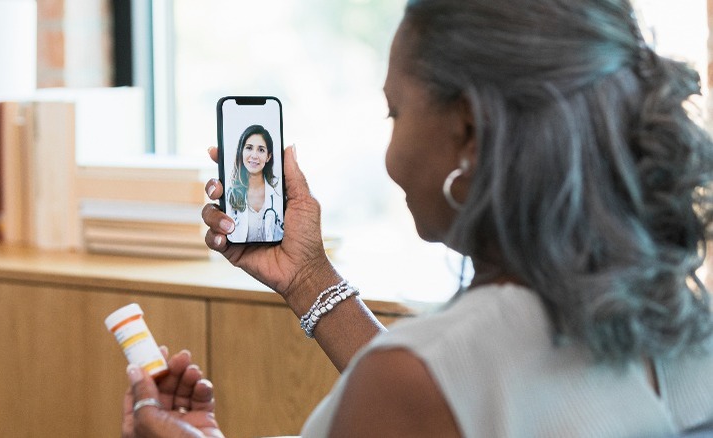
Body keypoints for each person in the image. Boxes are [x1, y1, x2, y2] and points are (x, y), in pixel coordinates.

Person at [122, 0, 713, 436]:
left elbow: (435, 389)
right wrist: (307, 277)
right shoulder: (686, 328)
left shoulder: (410, 381)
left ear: (470, 131)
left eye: (394, 112)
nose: (391, 153)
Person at [225, 124, 284, 243]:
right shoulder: (230, 194)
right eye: (249, 148)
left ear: (268, 157)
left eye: (261, 150)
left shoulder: (280, 191)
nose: (254, 155)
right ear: (241, 152)